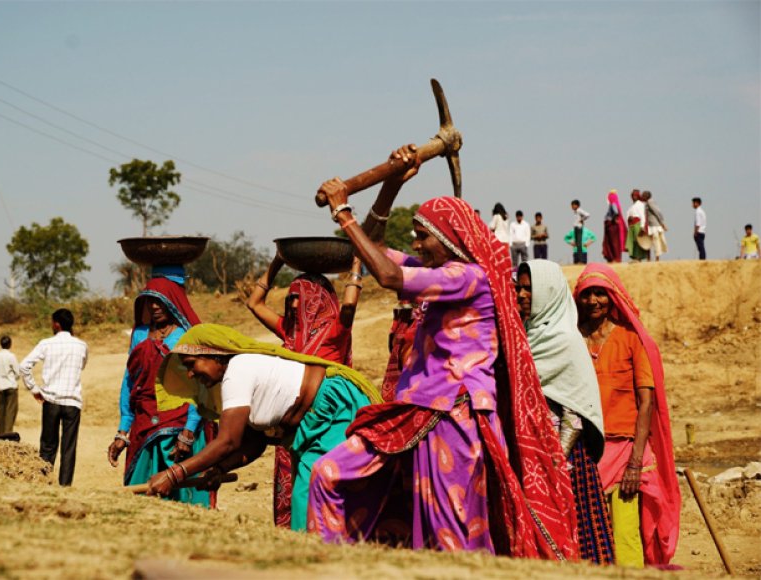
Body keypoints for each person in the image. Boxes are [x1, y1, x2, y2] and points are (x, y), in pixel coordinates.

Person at [309, 144, 577, 558]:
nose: (418, 244)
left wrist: (343, 213)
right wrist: (392, 183)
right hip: (418, 410)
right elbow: (376, 244)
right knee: (328, 474)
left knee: (449, 535)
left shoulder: (467, 278)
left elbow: (386, 274)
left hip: (453, 414)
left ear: (449, 241)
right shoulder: (439, 271)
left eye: (423, 238)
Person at [146, 323, 379, 532]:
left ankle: (324, 561)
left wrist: (174, 474)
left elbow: (228, 441)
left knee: (309, 495)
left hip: (334, 410)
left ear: (214, 355)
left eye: (191, 364)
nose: (190, 373)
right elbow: (255, 442)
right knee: (306, 499)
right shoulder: (236, 377)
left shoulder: (237, 370)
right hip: (313, 425)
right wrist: (220, 469)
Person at [574, 264, 680, 567]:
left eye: (600, 293)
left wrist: (635, 463)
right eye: (586, 294)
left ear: (612, 297)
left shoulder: (631, 339)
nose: (593, 300)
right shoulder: (571, 339)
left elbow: (646, 403)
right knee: (587, 538)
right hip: (584, 453)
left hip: (624, 454)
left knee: (625, 535)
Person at [246, 255, 362, 527]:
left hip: (327, 425)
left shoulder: (335, 331)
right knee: (293, 488)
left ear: (317, 300)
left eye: (299, 297)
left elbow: (348, 307)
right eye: (290, 297)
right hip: (292, 427)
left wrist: (356, 266)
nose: (293, 303)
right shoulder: (289, 331)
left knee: (317, 486)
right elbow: (253, 303)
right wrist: (277, 262)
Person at [516, 260, 614, 564]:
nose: (520, 295)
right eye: (518, 287)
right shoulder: (524, 337)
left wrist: (554, 464)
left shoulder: (565, 340)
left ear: (548, 293)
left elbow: (574, 414)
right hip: (531, 457)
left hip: (564, 460)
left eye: (529, 289)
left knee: (577, 540)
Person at [106, 269, 214, 507]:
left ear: (172, 303)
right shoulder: (140, 335)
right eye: (150, 300)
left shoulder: (187, 336)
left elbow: (199, 386)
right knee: (140, 499)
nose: (154, 306)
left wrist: (189, 430)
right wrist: (123, 430)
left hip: (179, 426)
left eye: (161, 300)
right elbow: (129, 381)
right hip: (143, 424)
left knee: (181, 498)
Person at [20, 309, 88, 487]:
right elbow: (82, 366)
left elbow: (24, 366)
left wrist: (34, 389)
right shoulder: (81, 345)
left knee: (48, 445)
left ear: (56, 324)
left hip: (50, 400)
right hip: (72, 402)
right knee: (68, 448)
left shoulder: (46, 343)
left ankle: (44, 481)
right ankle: (65, 486)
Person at [0, 335, 20, 435]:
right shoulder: (11, 356)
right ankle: (8, 435)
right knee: (10, 412)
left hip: (0, 387)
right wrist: (14, 378)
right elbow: (17, 372)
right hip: (11, 386)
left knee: (1, 412)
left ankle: (1, 434)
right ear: (10, 344)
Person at [642, 191, 668, 261]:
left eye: (643, 195)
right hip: (652, 225)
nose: (642, 196)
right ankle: (651, 258)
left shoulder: (650, 202)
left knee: (656, 242)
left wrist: (662, 223)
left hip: (654, 226)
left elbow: (657, 212)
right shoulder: (647, 203)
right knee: (653, 242)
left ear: (646, 196)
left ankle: (657, 258)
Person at [602, 190, 627, 264]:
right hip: (612, 225)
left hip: (612, 226)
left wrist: (614, 219)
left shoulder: (613, 204)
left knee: (613, 242)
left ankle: (615, 258)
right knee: (614, 242)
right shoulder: (615, 204)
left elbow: (616, 212)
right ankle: (614, 258)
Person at [625, 190, 649, 262]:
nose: (633, 197)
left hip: (637, 224)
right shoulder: (632, 206)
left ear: (638, 196)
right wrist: (629, 218)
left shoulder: (640, 204)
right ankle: (634, 257)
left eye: (635, 196)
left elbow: (642, 216)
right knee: (632, 242)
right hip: (631, 225)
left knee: (638, 241)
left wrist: (642, 227)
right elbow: (628, 214)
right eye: (632, 196)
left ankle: (639, 258)